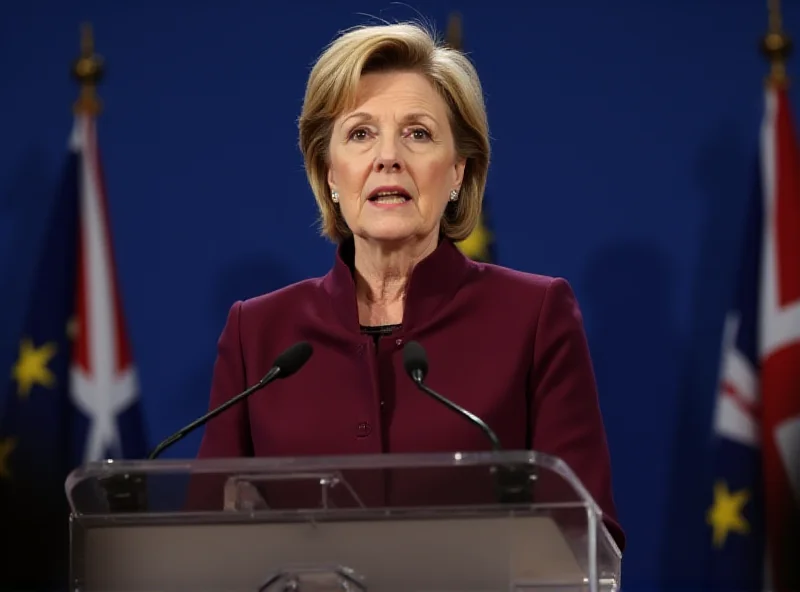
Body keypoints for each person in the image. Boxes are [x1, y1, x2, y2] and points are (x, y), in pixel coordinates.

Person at [196, 21, 625, 551]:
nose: (388, 156)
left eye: (418, 133)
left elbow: (586, 538)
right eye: (360, 133)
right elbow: (205, 541)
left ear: (457, 172)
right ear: (329, 172)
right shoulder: (258, 333)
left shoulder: (533, 316)